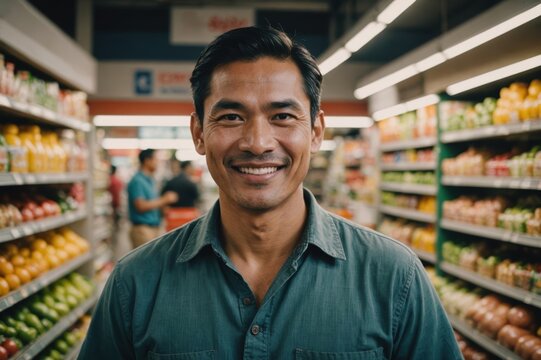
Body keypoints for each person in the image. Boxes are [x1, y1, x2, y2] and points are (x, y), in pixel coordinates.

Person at [79, 27, 462, 359]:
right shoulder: (136, 283)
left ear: (315, 132)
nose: (258, 143)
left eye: (282, 116)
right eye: (231, 117)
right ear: (198, 133)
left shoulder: (394, 278)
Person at [126, 149, 177, 248]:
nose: (158, 163)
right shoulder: (137, 181)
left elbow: (152, 203)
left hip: (153, 228)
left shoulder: (151, 181)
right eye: (155, 160)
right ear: (147, 161)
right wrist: (164, 200)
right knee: (145, 262)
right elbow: (140, 206)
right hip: (142, 229)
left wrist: (162, 208)